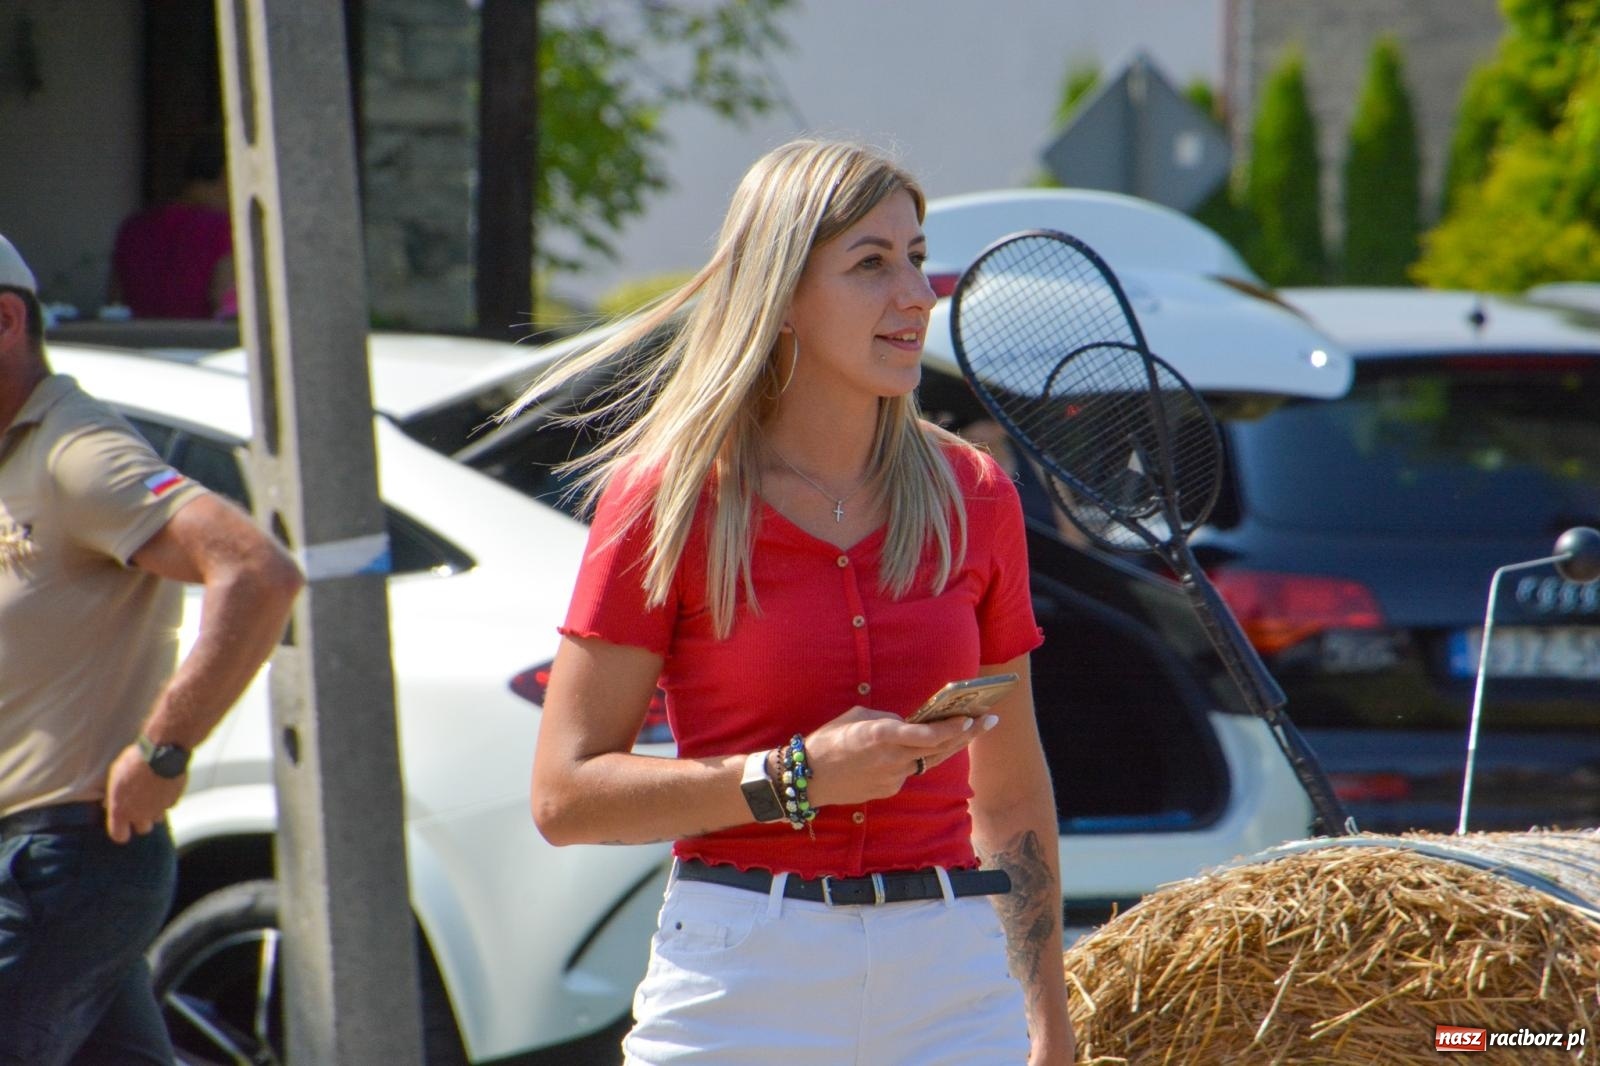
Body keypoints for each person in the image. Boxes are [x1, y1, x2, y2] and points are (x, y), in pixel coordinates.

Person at [516, 140, 1075, 1064]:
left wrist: (1049, 1020)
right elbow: (565, 794)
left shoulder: (975, 494)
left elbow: (1009, 791)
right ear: (779, 296)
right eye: (870, 263)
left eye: (917, 258)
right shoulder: (669, 497)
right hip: (741, 976)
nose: (915, 295)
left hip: (950, 978)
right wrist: (793, 780)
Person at [0, 233, 302, 1063]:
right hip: (44, 863)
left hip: (60, 861)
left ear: (4, 321)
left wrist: (165, 748)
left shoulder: (75, 448)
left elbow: (255, 570)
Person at [107, 130, 237, 319]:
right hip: (201, 343)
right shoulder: (222, 229)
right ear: (227, 174)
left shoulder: (133, 227)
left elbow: (114, 301)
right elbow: (224, 302)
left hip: (136, 341)